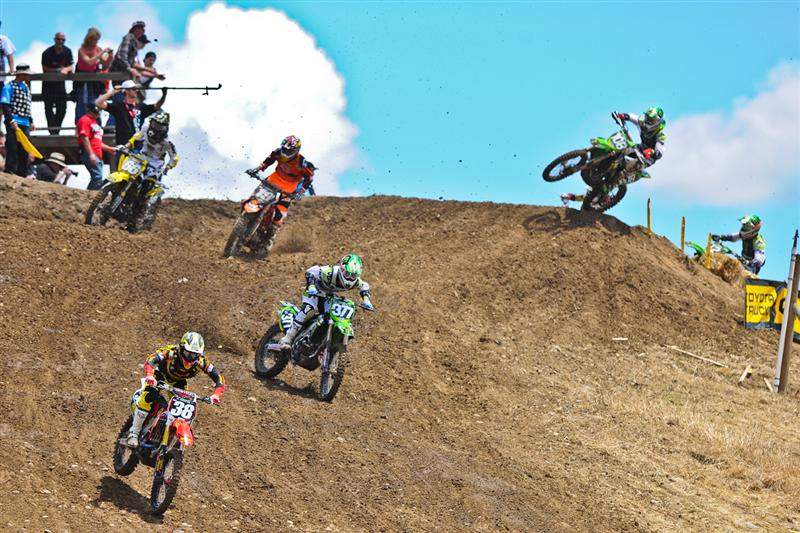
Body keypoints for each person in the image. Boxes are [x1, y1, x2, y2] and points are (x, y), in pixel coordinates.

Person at [125, 332, 225, 448]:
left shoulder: (202, 362)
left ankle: (169, 438)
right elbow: (151, 360)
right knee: (148, 396)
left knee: (182, 411)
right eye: (188, 353)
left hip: (178, 382)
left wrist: (216, 394)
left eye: (194, 355)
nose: (190, 357)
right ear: (181, 348)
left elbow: (218, 378)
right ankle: (134, 432)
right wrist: (150, 375)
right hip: (159, 375)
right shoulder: (171, 352)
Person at [561, 107, 666, 209]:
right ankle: (595, 158)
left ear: (657, 122)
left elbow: (660, 151)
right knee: (618, 149)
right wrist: (622, 116)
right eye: (647, 117)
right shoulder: (642, 122)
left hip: (646, 158)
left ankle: (609, 188)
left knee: (624, 172)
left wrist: (652, 152)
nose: (647, 120)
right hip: (638, 148)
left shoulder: (660, 135)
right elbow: (632, 117)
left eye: (651, 119)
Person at [279, 253, 375, 348]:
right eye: (347, 274)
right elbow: (311, 271)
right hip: (314, 291)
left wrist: (366, 300)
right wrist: (311, 286)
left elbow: (364, 286)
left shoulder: (356, 282)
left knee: (333, 315)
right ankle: (287, 339)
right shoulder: (330, 272)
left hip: (329, 296)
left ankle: (320, 338)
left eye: (353, 276)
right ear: (341, 269)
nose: (349, 278)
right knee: (309, 309)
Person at [247, 135, 316, 246]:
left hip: (289, 188)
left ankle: (267, 243)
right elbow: (269, 160)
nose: (286, 153)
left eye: (289, 151)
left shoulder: (302, 162)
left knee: (279, 217)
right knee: (255, 198)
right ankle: (245, 219)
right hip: (273, 180)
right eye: (284, 149)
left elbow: (309, 178)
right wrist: (257, 169)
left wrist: (301, 191)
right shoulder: (278, 152)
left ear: (296, 151)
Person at [1, 63, 34, 177]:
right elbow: (5, 105)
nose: (28, 76)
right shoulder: (9, 87)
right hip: (14, 120)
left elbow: (27, 106)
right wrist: (11, 120)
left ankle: (22, 171)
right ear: (21, 74)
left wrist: (31, 121)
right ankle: (10, 170)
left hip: (25, 121)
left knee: (24, 147)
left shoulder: (26, 87)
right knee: (12, 146)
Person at [74, 27, 112, 123]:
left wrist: (110, 56)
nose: (95, 42)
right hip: (82, 82)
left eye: (97, 40)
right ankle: (81, 124)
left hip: (94, 83)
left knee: (95, 103)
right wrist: (102, 52)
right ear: (89, 39)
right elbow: (89, 62)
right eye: (94, 39)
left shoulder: (98, 49)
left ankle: (96, 124)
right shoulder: (81, 50)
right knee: (83, 104)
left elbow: (105, 64)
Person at [41, 32, 74, 134]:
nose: (60, 41)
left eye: (63, 40)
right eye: (59, 39)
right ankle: (52, 132)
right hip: (48, 85)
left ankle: (56, 130)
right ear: (54, 39)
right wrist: (57, 71)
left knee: (62, 108)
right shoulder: (47, 52)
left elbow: (71, 66)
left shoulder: (67, 51)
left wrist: (66, 69)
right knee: (48, 109)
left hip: (60, 85)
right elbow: (44, 68)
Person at [77, 104, 114, 190]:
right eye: (95, 112)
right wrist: (91, 154)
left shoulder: (94, 122)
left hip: (97, 153)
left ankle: (89, 194)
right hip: (90, 152)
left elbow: (97, 141)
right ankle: (89, 195)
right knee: (97, 177)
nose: (97, 114)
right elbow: (84, 137)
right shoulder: (85, 120)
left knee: (97, 177)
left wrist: (109, 149)